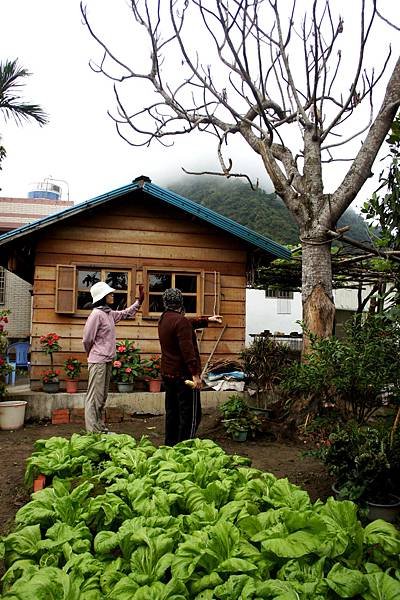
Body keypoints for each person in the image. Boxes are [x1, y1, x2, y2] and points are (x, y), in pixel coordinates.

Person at [158, 287, 222, 445]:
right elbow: (188, 351)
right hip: (184, 377)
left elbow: (186, 323)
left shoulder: (164, 318)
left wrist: (207, 320)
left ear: (165, 303)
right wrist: (195, 375)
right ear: (181, 302)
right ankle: (185, 447)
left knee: (173, 412)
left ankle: (170, 445)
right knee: (191, 414)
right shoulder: (181, 321)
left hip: (168, 374)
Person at [82, 281, 144, 433]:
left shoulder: (107, 313)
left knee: (101, 397)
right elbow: (87, 339)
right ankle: (93, 432)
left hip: (107, 360)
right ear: (103, 296)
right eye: (109, 293)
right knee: (94, 398)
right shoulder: (96, 315)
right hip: (98, 361)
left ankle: (99, 427)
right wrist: (92, 354)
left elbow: (125, 313)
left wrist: (139, 302)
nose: (112, 295)